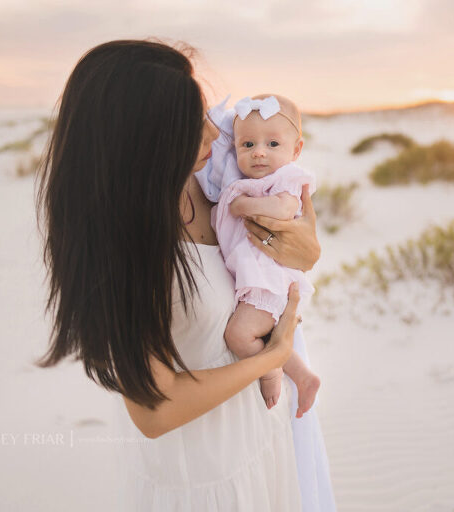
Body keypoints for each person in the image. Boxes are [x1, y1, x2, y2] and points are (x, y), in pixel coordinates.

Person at [33, 39, 323, 510]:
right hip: (200, 478)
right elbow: (154, 409)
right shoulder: (126, 245)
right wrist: (272, 358)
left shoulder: (205, 178)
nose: (215, 136)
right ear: (147, 141)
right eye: (191, 126)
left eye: (204, 114)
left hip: (257, 439)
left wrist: (305, 250)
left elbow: (285, 249)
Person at [196, 93, 321, 417]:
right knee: (265, 333)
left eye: (273, 144)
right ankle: (304, 376)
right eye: (247, 145)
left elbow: (284, 208)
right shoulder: (243, 181)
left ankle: (271, 372)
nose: (259, 152)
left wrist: (244, 206)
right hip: (255, 278)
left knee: (240, 334)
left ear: (296, 150)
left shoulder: (287, 178)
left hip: (269, 279)